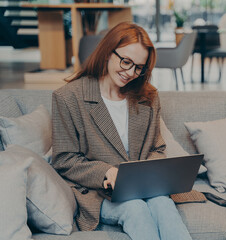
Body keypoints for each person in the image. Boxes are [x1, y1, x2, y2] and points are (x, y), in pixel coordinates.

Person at [51, 22, 192, 240]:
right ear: (108, 51)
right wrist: (106, 172)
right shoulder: (68, 97)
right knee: (134, 208)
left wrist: (145, 173)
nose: (130, 73)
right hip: (97, 192)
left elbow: (157, 147)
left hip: (143, 186)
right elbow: (63, 159)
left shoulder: (148, 96)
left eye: (139, 67)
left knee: (163, 203)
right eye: (126, 62)